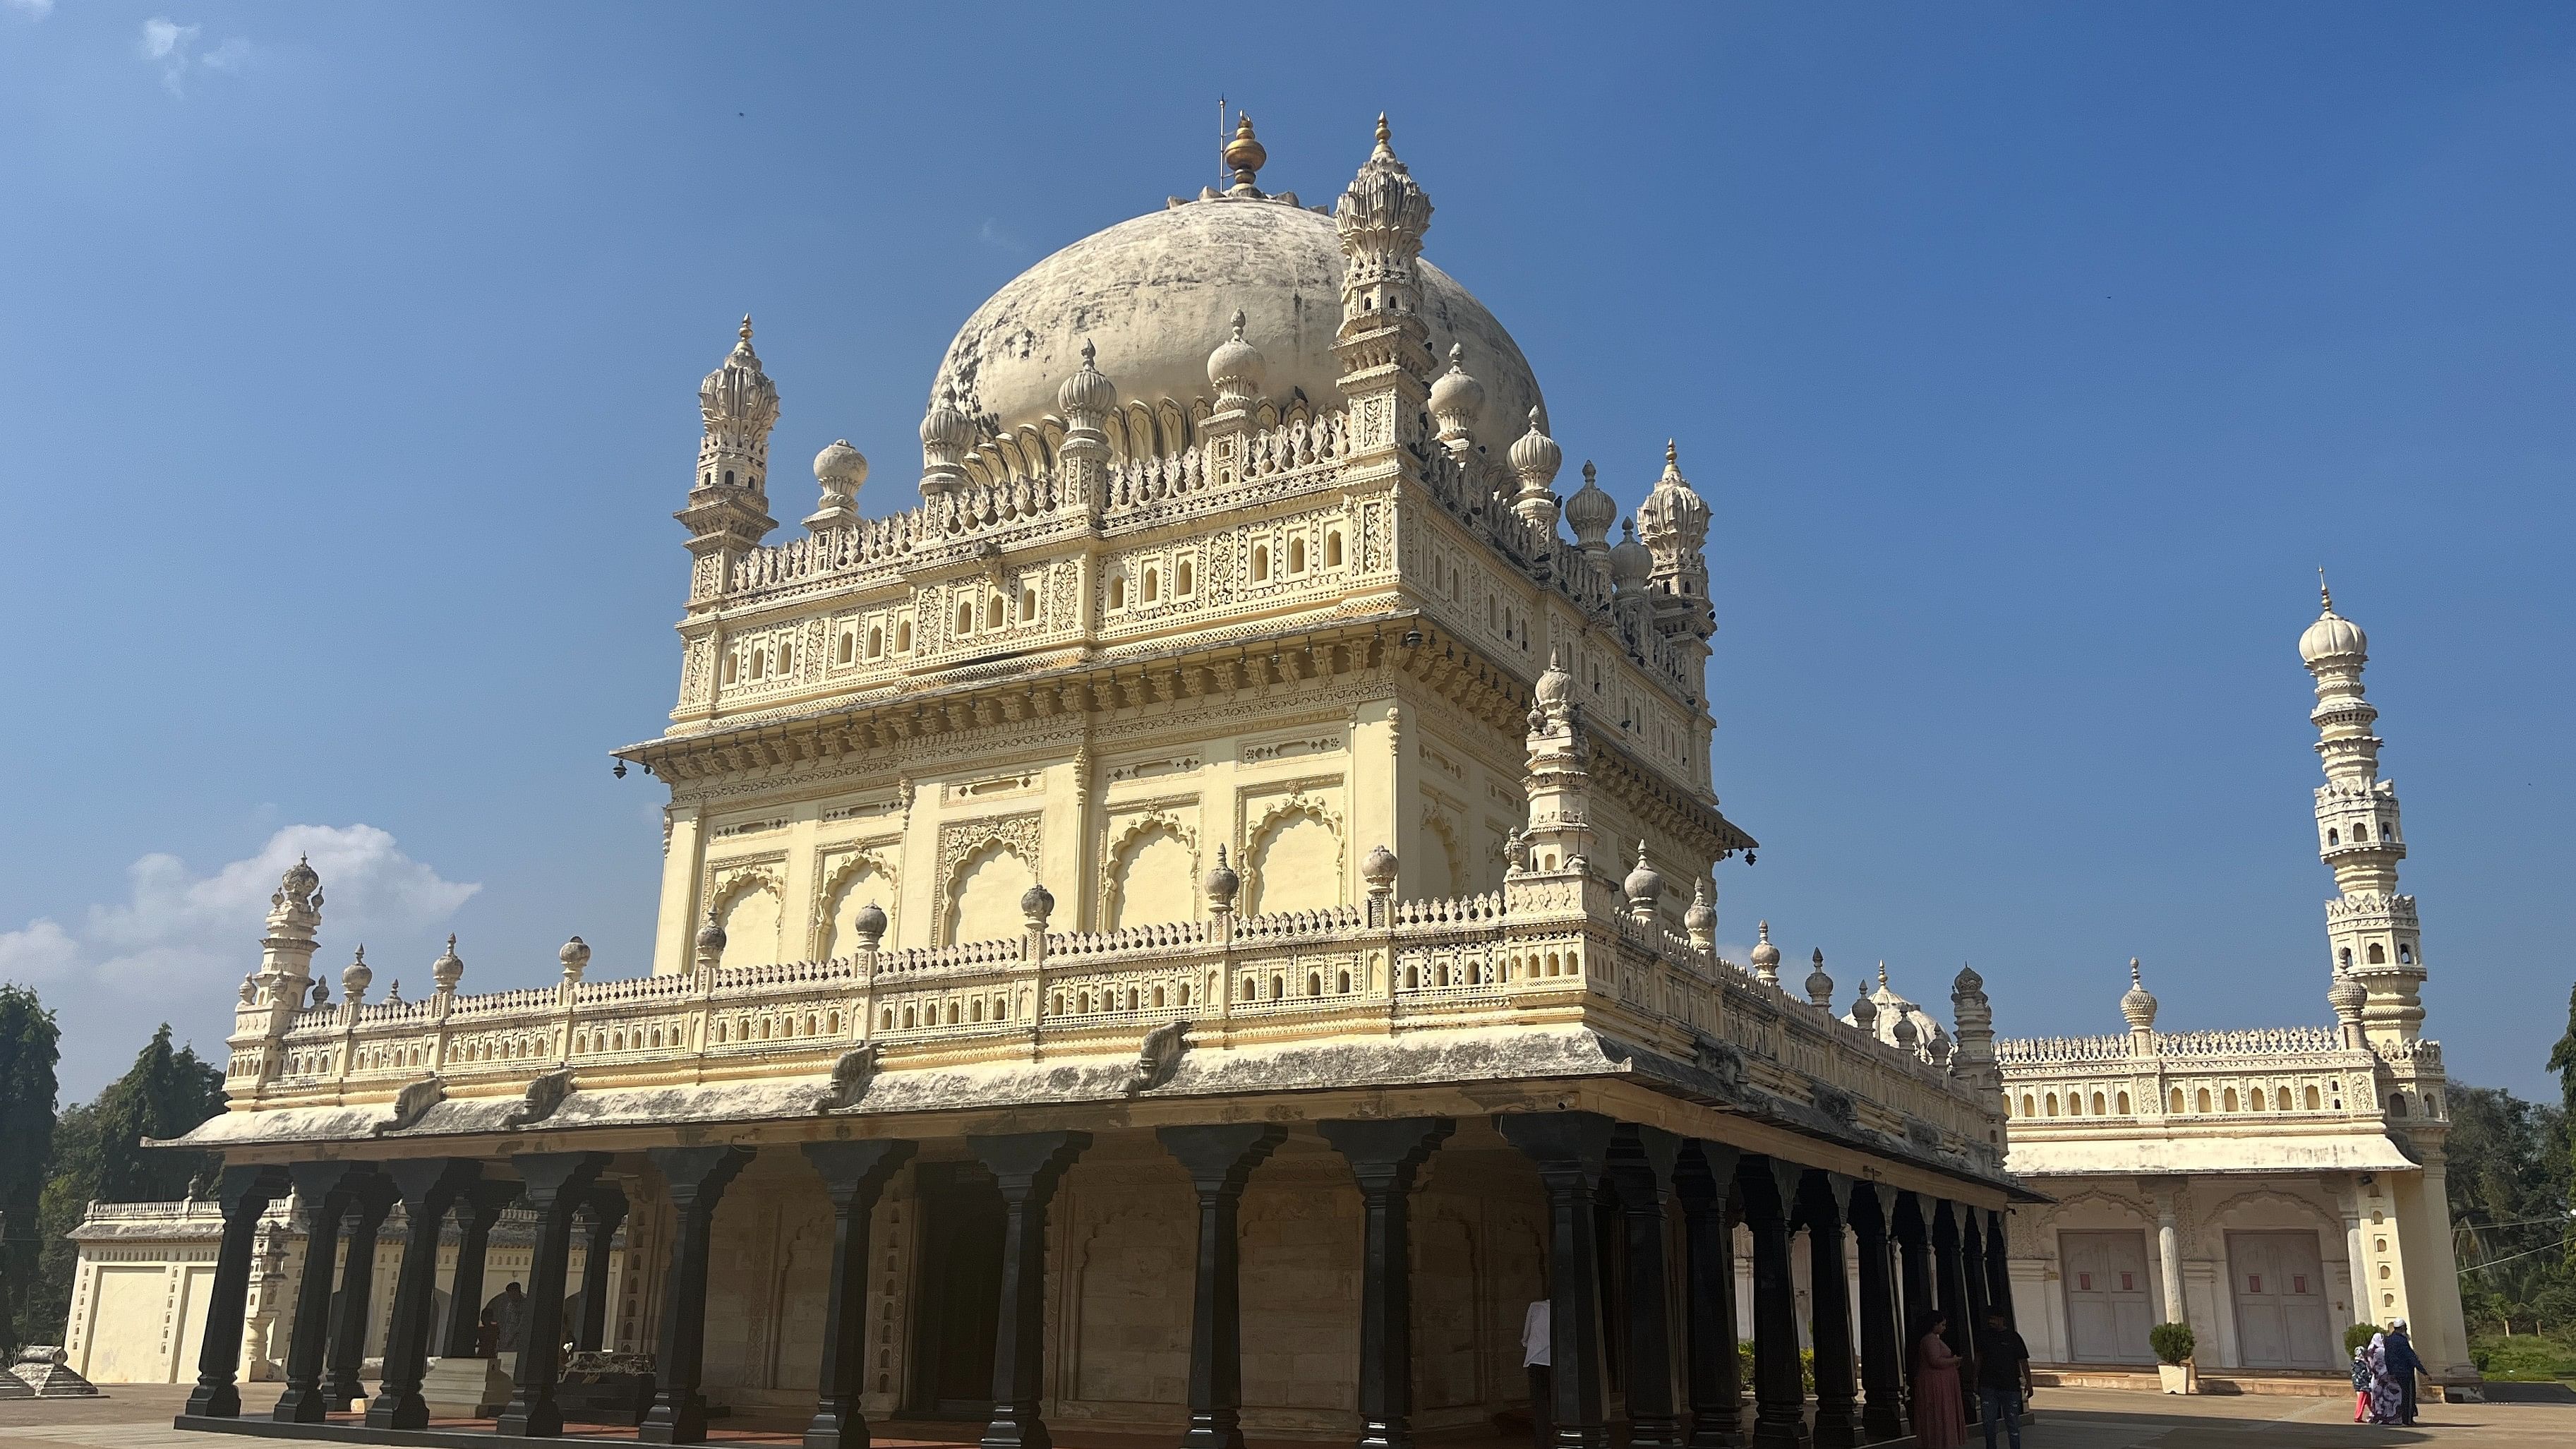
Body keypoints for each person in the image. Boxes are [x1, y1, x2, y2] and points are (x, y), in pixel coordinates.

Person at [1973, 1306, 2032, 1449]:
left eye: (1994, 1319)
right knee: (1989, 1423)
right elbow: (1978, 1359)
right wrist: (1975, 1379)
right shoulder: (1985, 1337)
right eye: (1989, 1319)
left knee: (2013, 1424)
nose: (1991, 1322)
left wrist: (2029, 1383)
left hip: (2010, 1386)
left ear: (2002, 1319)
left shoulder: (2013, 1337)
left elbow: (2023, 1361)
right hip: (1988, 1385)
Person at [1910, 1310, 1966, 1449]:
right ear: (1935, 1325)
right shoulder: (1930, 1340)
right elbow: (1934, 1361)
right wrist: (1953, 1360)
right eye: (1942, 1325)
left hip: (1939, 1381)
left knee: (1941, 1414)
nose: (1944, 1328)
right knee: (1939, 1414)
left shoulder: (1933, 1339)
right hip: (1935, 1383)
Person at [1521, 1297, 1551, 1449]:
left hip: (1537, 1361)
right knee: (1553, 1403)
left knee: (1539, 1405)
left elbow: (1526, 1334)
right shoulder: (1563, 1310)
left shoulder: (1536, 1307)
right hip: (1554, 1362)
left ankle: (1542, 1443)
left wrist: (1526, 1342)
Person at [2384, 1319, 2422, 1425]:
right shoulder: (2402, 1340)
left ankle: (2401, 1418)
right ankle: (2408, 1420)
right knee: (2408, 1397)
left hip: (2395, 1373)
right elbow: (2410, 1357)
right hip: (2406, 1373)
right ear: (2402, 1328)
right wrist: (2423, 1371)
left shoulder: (2389, 1340)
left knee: (2399, 1397)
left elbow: (2387, 1357)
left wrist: (2390, 1371)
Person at [482, 1281, 529, 1357]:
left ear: (518, 1292)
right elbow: (504, 1322)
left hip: (518, 1338)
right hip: (507, 1338)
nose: (511, 1296)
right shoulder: (508, 1305)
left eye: (512, 1293)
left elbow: (522, 1324)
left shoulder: (525, 1305)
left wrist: (512, 1336)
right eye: (509, 1294)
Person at [2366, 1331, 2404, 1425]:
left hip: (2376, 1379)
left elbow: (2371, 1366)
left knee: (2378, 1400)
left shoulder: (2370, 1351)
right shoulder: (2382, 1351)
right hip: (2386, 1377)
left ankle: (2379, 1417)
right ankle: (2391, 1417)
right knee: (2391, 1398)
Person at [2349, 1337, 2373, 1423]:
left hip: (2360, 1384)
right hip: (2363, 1385)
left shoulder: (2355, 1363)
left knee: (2368, 1400)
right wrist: (2371, 1376)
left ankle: (2374, 1413)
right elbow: (2364, 1374)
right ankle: (2358, 1416)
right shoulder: (2361, 1364)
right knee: (2362, 1401)